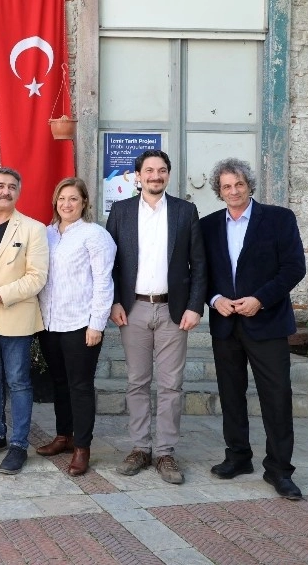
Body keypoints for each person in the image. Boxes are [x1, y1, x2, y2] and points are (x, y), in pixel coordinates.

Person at [200, 158, 306, 500]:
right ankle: (238, 457)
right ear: (219, 191)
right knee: (231, 396)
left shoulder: (278, 219)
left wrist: (260, 299)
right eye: (226, 186)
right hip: (225, 324)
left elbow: (293, 268)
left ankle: (279, 470)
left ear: (250, 186)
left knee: (276, 398)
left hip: (268, 323)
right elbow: (200, 273)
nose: (233, 191)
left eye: (239, 185)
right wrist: (214, 298)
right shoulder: (208, 226)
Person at [106, 149, 206, 484]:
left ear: (168, 175)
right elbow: (112, 264)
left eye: (162, 170)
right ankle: (139, 448)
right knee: (136, 382)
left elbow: (199, 265)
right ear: (137, 176)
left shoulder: (184, 211)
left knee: (171, 385)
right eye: (149, 170)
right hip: (132, 309)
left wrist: (195, 306)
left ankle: (165, 452)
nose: (155, 176)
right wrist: (115, 303)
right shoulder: (120, 212)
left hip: (173, 310)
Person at [36, 178, 115, 476]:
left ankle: (82, 447)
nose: (66, 204)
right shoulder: (46, 234)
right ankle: (63, 436)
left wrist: (97, 323)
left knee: (80, 386)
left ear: (84, 203)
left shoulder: (94, 235)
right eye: (62, 199)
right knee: (59, 382)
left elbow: (104, 283)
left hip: (81, 323)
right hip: (49, 322)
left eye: (73, 199)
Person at [0, 167, 48, 475]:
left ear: (18, 192)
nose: (5, 191)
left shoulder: (33, 228)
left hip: (14, 314)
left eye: (11, 186)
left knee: (17, 381)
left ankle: (18, 444)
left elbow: (37, 277)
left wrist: (2, 293)